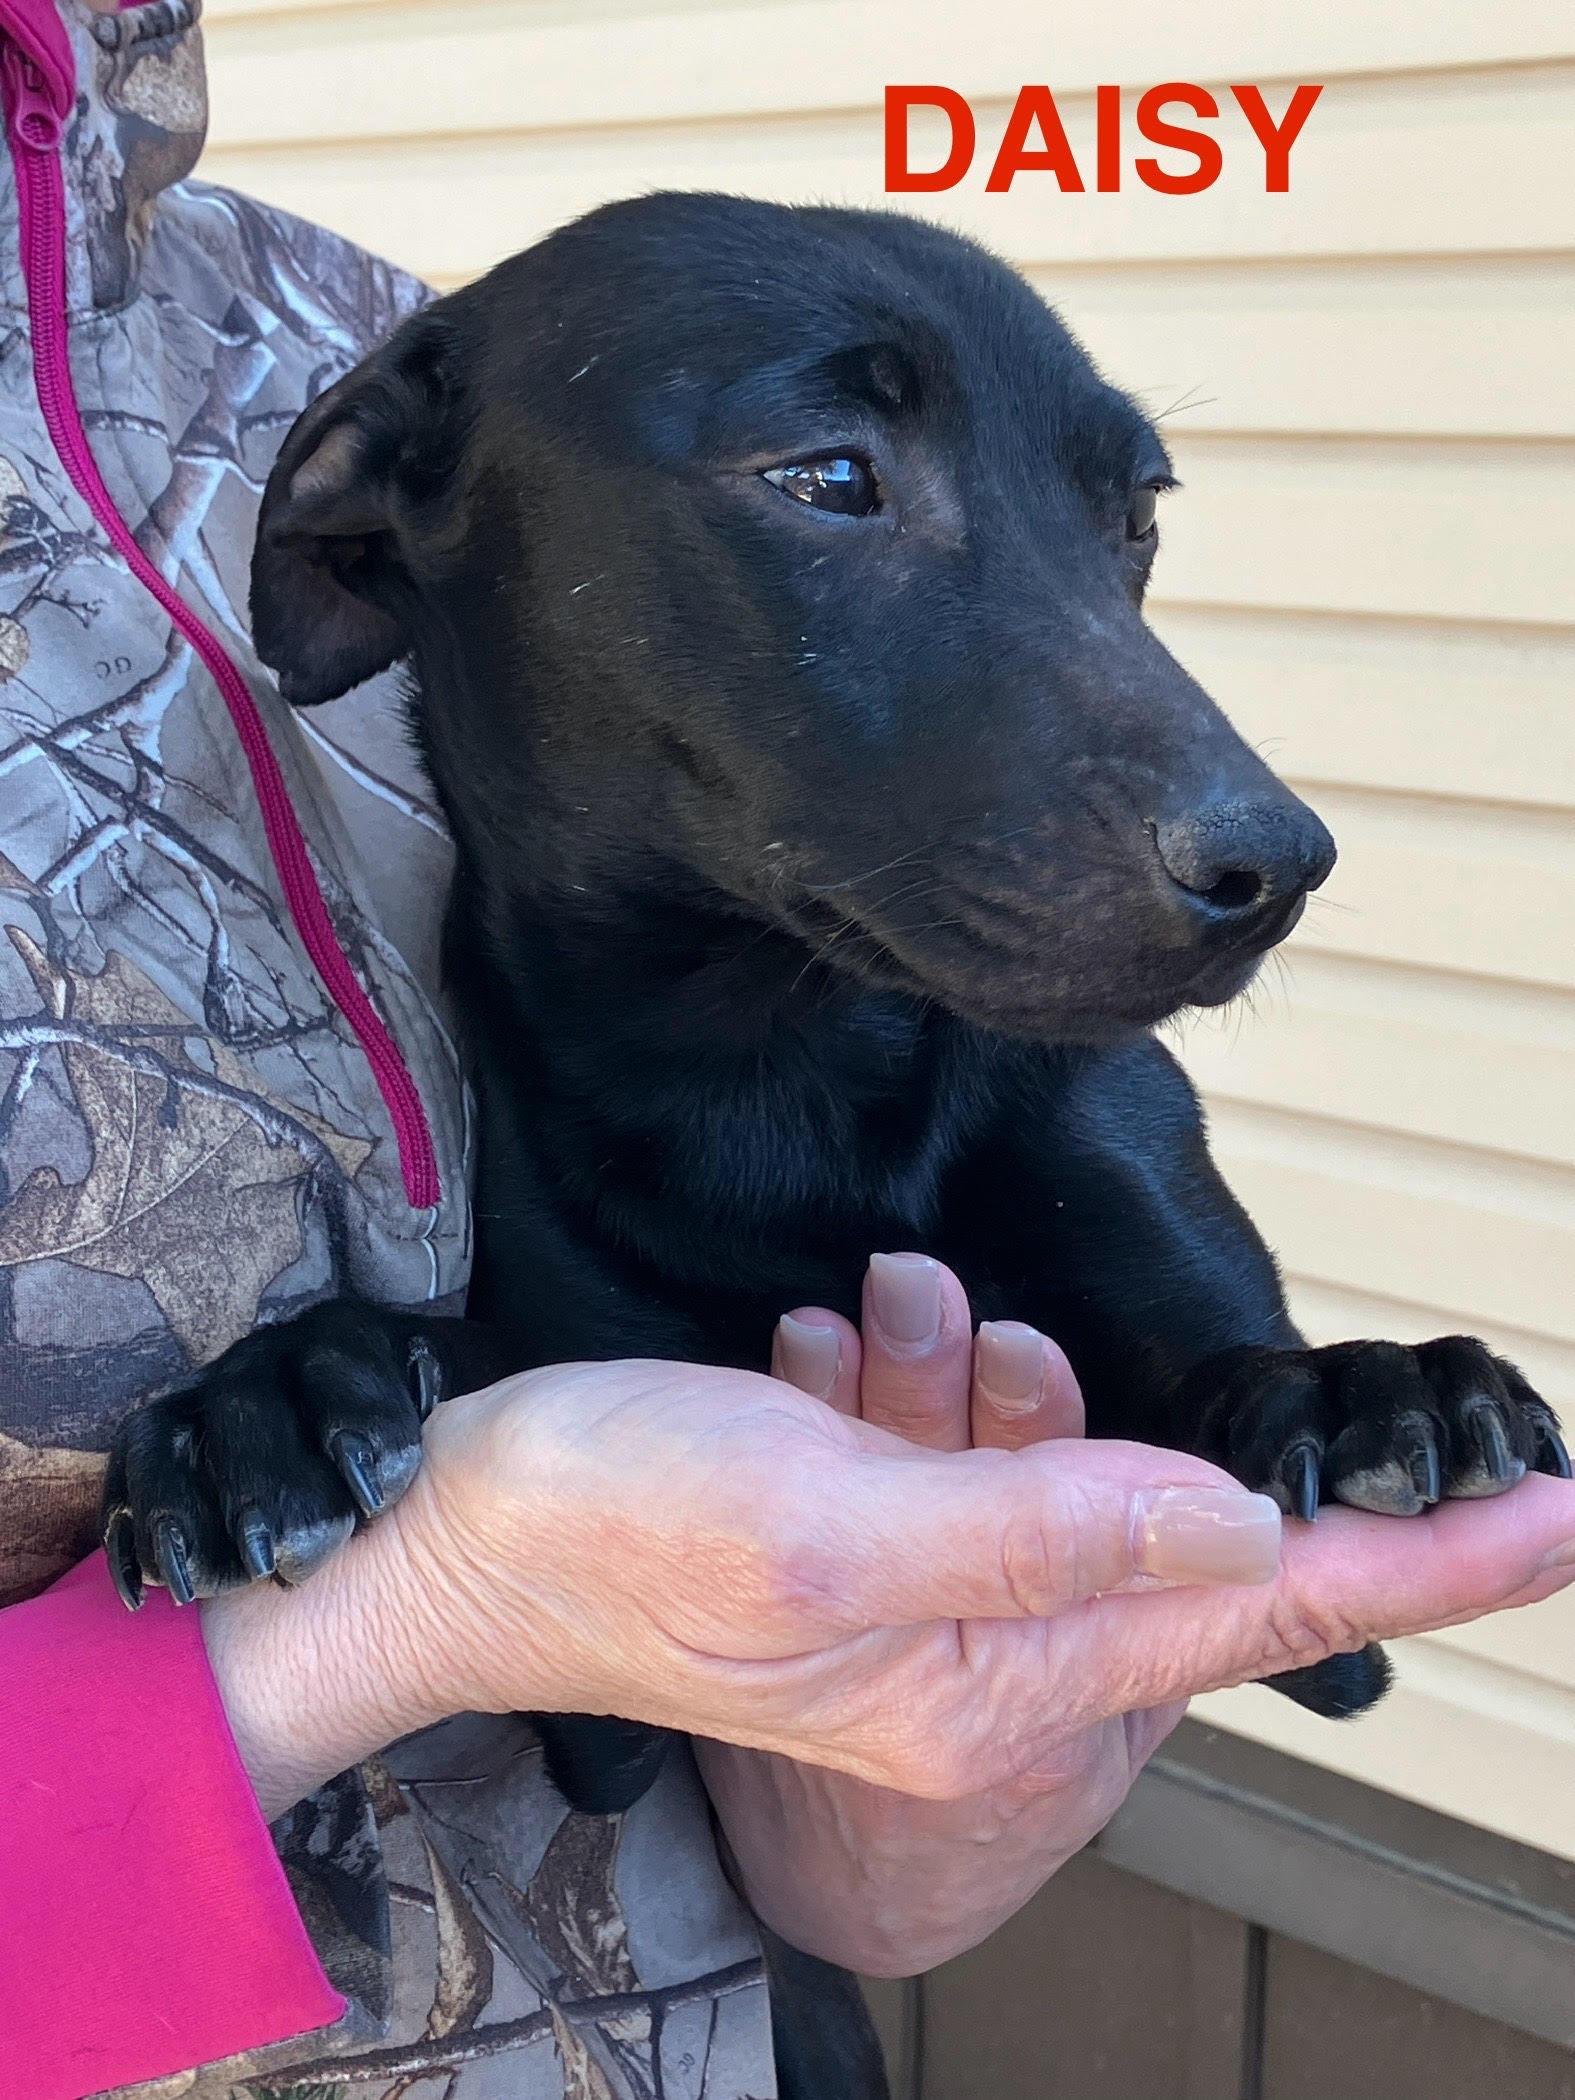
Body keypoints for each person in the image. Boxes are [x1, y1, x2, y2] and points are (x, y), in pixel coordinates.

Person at [4, 6, 1573, 2098]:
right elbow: (561, 1654)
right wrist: (414, 1602)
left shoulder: (309, 328)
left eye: (1114, 524)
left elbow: (873, 1798)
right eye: (832, 480)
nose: (1239, 822)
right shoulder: (447, 419)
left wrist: (914, 1808)